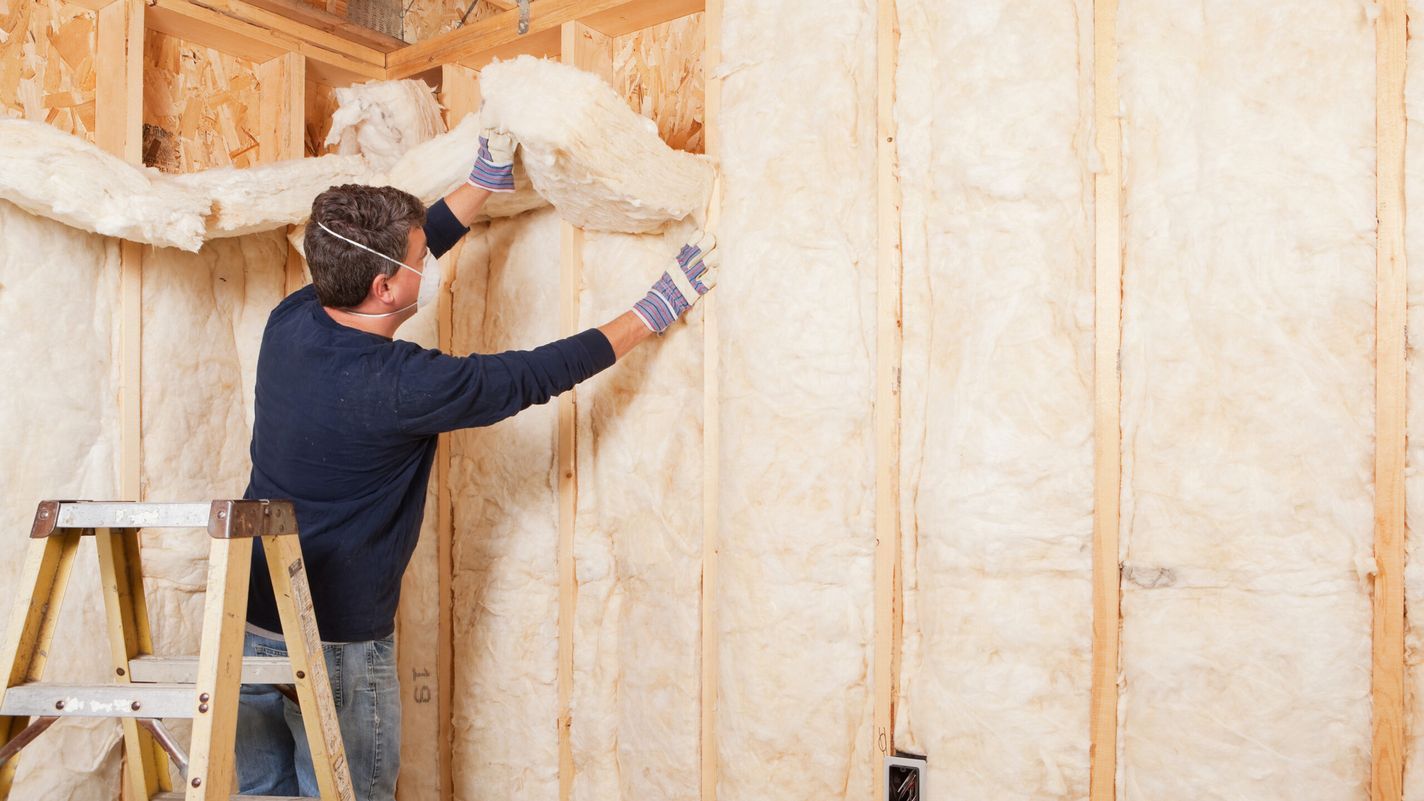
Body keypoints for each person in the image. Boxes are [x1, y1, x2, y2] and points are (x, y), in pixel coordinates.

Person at [234, 129, 717, 799]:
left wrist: (480, 186)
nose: (424, 261)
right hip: (335, 645)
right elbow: (533, 374)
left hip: (250, 620)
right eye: (415, 259)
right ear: (382, 286)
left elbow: (398, 251)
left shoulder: (292, 319)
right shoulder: (404, 384)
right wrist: (649, 312)